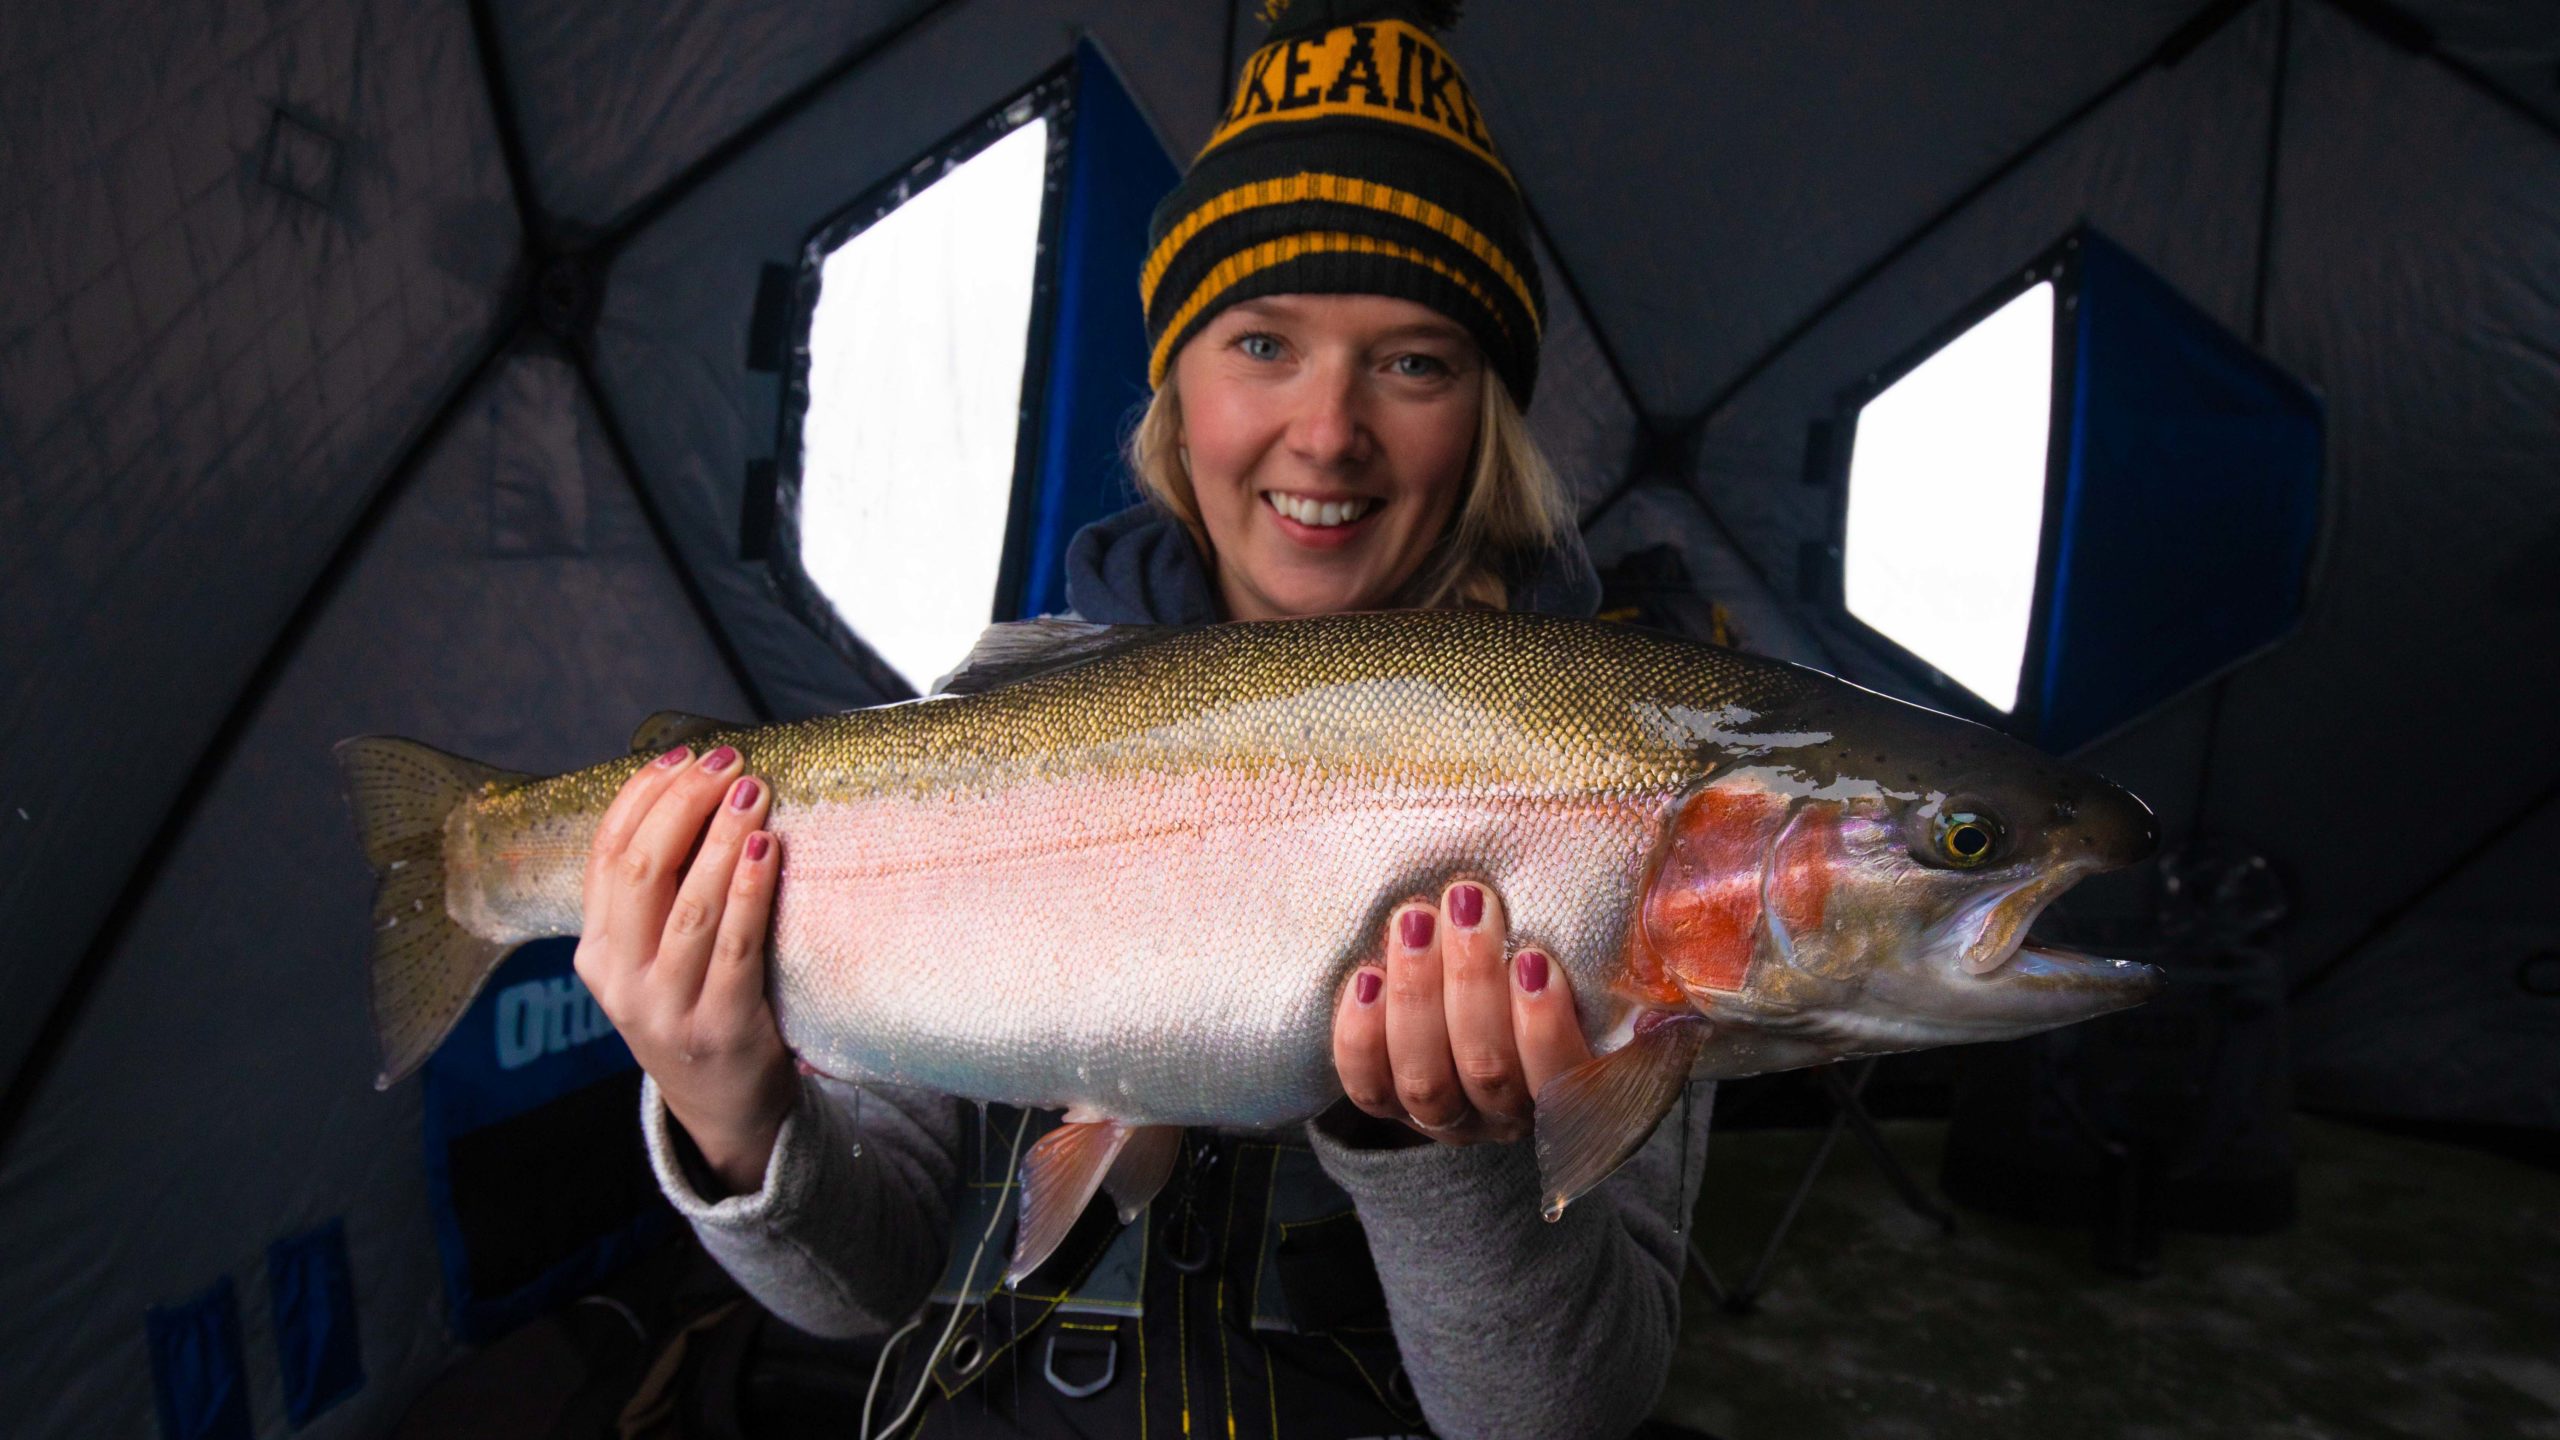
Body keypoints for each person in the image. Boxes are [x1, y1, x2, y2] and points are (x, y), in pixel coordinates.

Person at [574, 4, 1710, 1434]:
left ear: (1490, 421)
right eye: (1261, 343)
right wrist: (734, 1120)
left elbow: (1564, 1416)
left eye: (1415, 360)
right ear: (1178, 390)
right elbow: (864, 1278)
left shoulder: (1625, 797)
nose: (1327, 430)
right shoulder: (994, 745)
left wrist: (1449, 1159)